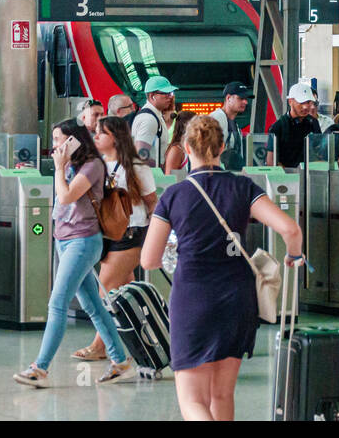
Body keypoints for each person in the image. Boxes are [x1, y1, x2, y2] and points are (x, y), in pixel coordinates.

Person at [140, 115, 302, 420]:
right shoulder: (243, 187)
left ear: (186, 148)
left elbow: (148, 260)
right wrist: (294, 256)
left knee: (192, 400)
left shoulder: (174, 195)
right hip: (238, 300)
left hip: (193, 299)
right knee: (222, 395)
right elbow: (291, 230)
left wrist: (177, 248)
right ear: (222, 147)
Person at [14, 120, 133, 387]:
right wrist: (62, 166)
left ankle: (39, 368)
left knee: (57, 303)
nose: (55, 145)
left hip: (83, 242)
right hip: (65, 241)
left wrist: (59, 167)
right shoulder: (71, 165)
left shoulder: (92, 166)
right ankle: (120, 362)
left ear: (73, 141)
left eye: (58, 139)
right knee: (93, 305)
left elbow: (67, 196)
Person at [74, 116, 158, 362]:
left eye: (102, 133)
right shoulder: (97, 164)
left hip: (131, 233)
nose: (96, 136)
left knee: (106, 291)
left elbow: (152, 202)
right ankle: (143, 341)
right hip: (107, 235)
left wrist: (154, 237)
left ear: (116, 138)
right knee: (124, 292)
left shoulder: (135, 165)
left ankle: (100, 345)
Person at [266, 83, 324, 168]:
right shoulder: (278, 127)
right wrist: (289, 176)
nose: (305, 107)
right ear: (290, 102)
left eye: (308, 102)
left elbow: (319, 151)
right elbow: (271, 161)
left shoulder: (313, 122)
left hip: (309, 174)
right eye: (301, 102)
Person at [131, 75, 178, 167]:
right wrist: (162, 168)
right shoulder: (149, 119)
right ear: (152, 96)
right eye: (165, 93)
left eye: (171, 93)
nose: (170, 97)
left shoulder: (153, 116)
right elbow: (141, 155)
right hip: (151, 178)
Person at [208, 82, 250, 171]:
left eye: (246, 99)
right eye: (240, 98)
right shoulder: (217, 118)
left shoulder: (234, 123)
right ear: (228, 98)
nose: (245, 102)